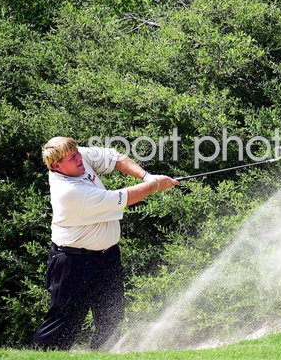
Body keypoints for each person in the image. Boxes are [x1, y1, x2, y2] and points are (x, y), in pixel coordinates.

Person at [32, 137, 178, 351]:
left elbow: (114, 157)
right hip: (72, 262)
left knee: (112, 317)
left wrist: (147, 176)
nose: (79, 157)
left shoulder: (76, 157)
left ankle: (103, 355)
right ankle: (41, 356)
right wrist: (155, 185)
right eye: (72, 158)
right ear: (56, 166)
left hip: (107, 256)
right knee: (64, 323)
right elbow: (123, 198)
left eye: (77, 153)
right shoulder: (69, 192)